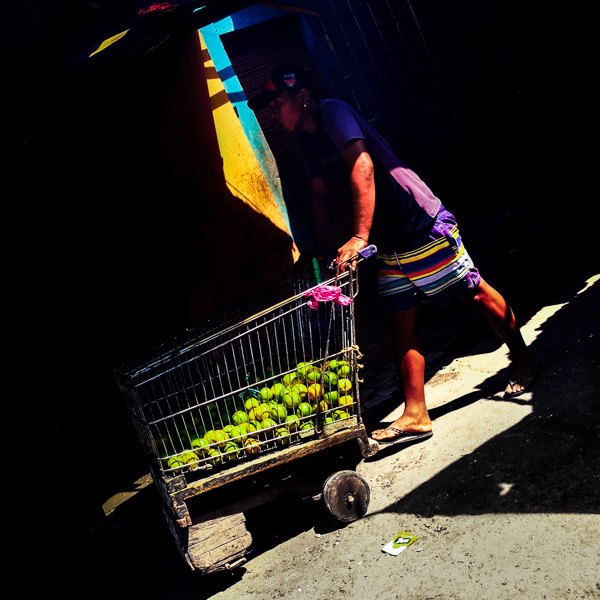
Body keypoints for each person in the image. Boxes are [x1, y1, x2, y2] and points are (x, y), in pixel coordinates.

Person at [248, 64, 540, 445]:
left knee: (474, 293)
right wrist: (316, 250)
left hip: (418, 225)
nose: (272, 112)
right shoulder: (307, 141)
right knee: (401, 323)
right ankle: (416, 413)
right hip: (387, 245)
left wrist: (357, 235)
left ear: (302, 96)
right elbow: (319, 194)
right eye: (267, 107)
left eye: (277, 102)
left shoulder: (333, 111)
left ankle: (524, 357)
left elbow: (362, 164)